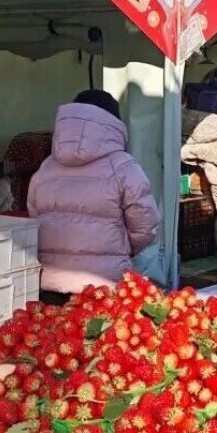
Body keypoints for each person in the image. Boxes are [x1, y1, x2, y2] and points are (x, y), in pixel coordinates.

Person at [28, 90, 161, 304]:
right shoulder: (124, 166)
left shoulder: (46, 168)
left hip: (49, 285)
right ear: (114, 122)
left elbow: (35, 220)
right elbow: (145, 225)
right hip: (104, 286)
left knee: (54, 336)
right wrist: (121, 249)